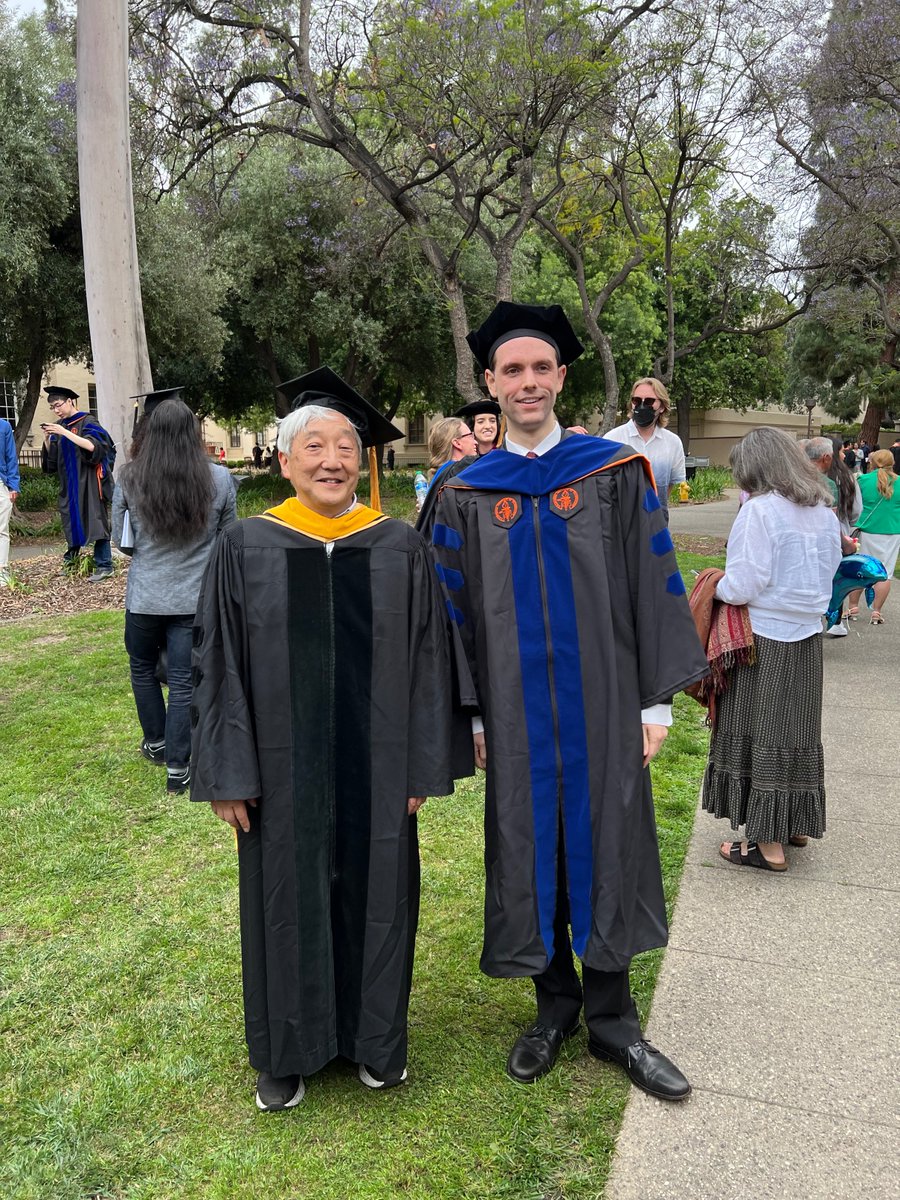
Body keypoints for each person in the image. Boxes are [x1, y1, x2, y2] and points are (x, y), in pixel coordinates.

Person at [431, 301, 709, 1102]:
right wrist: (472, 712)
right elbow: (450, 612)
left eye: (540, 368)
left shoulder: (613, 474)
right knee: (530, 846)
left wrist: (655, 704)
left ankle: (614, 1021)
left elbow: (653, 582)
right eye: (511, 370)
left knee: (608, 843)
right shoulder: (464, 491)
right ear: (491, 384)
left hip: (605, 702)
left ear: (560, 377)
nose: (527, 382)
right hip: (512, 711)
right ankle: (553, 1007)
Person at [190, 367, 454, 1112]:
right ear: (285, 461)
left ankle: (376, 1041)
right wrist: (228, 774)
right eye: (314, 446)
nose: (332, 460)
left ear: (361, 461)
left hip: (379, 765)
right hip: (280, 770)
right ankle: (286, 1050)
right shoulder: (245, 545)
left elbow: (430, 661)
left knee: (381, 894)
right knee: (284, 894)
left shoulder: (399, 544)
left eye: (345, 447)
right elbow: (218, 664)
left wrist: (419, 767)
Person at [703, 428, 841, 870]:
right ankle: (794, 821)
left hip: (762, 639)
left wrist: (712, 585)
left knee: (759, 729)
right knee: (797, 731)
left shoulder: (759, 511)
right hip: (807, 637)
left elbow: (744, 584)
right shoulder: (822, 511)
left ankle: (766, 844)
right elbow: (832, 569)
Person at [112, 391, 236, 794]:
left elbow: (120, 542)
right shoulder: (220, 479)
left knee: (141, 668)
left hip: (145, 597)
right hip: (194, 598)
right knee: (184, 680)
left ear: (150, 431)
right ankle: (179, 767)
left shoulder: (129, 478)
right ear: (193, 432)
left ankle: (156, 742)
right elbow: (228, 540)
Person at [40, 385, 116, 582]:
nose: (56, 410)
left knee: (96, 520)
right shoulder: (59, 425)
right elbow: (52, 463)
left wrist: (64, 432)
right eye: (52, 407)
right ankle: (71, 562)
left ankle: (104, 565)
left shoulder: (87, 421)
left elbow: (94, 447)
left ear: (70, 401)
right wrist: (47, 440)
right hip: (69, 484)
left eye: (58, 405)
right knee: (71, 519)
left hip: (89, 481)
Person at [603, 377, 686, 519]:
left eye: (649, 401)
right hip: (619, 523)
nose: (642, 406)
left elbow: (670, 484)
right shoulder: (612, 439)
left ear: (662, 407)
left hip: (657, 522)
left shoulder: (673, 442)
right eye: (636, 400)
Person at [846, 449, 900, 625]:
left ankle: (853, 607)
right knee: (885, 572)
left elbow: (854, 505)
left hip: (867, 529)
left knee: (859, 569)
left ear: (873, 462)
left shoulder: (863, 480)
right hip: (892, 531)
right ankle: (876, 612)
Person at [0, 416, 20, 586]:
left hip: (1, 484)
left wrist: (13, 486)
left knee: (2, 529)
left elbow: (11, 457)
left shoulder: (3, 426)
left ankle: (2, 570)